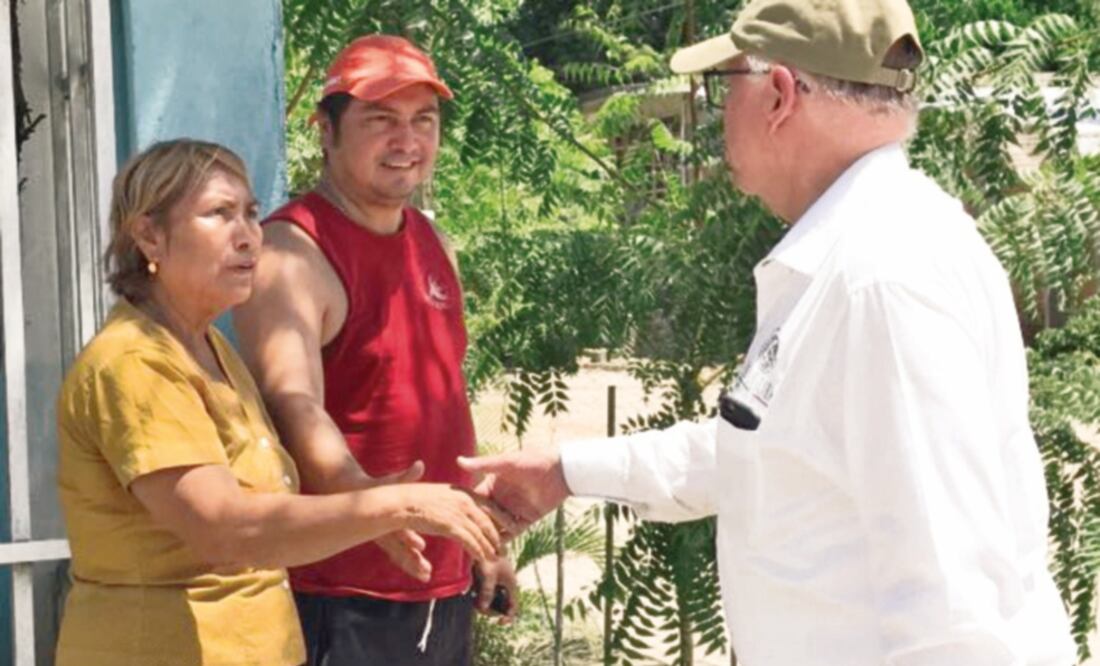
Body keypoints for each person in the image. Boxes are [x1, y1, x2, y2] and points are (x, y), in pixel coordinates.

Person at [459, 0, 1077, 664]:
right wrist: (566, 472)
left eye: (720, 87)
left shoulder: (882, 278)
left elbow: (955, 615)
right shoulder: (855, 255)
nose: (716, 118)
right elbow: (774, 455)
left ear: (779, 95)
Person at [55, 139, 510, 666]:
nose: (248, 236)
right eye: (219, 215)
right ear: (150, 236)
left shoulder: (206, 346)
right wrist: (396, 506)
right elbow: (223, 528)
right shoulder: (135, 364)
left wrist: (378, 507)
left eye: (249, 213)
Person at [233, 35, 516, 666]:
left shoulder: (432, 241)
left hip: (440, 579)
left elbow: (443, 403)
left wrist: (483, 540)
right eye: (380, 120)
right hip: (341, 585)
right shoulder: (291, 251)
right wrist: (372, 505)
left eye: (424, 121)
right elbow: (293, 402)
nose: (407, 141)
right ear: (326, 132)